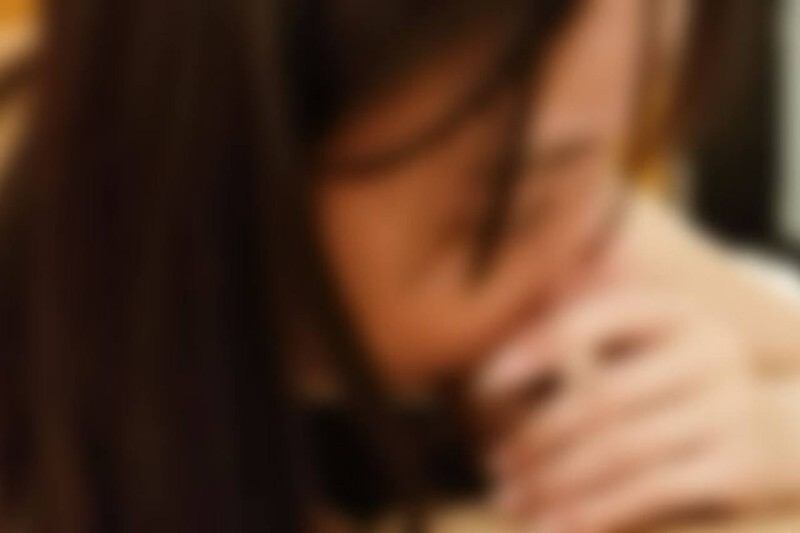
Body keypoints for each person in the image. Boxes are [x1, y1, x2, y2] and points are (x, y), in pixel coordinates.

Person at [1, 0, 800, 532]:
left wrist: (774, 432)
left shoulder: (577, 224)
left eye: (615, 157)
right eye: (515, 211)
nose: (596, 261)